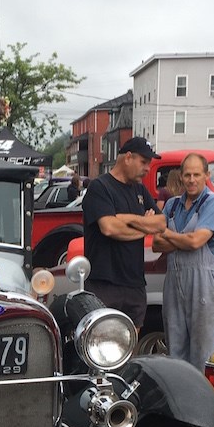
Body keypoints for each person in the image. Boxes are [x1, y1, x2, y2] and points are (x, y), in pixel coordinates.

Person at [153, 152, 214, 370]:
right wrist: (182, 240)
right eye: (187, 175)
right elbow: (156, 244)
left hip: (205, 285)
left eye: (197, 174)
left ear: (207, 175)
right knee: (175, 350)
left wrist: (167, 234)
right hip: (175, 284)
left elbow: (196, 241)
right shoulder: (172, 205)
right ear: (181, 176)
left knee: (204, 353)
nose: (192, 180)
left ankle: (202, 392)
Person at [81, 137, 166, 327]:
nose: (148, 168)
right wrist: (145, 225)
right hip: (104, 283)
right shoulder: (100, 187)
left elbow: (161, 223)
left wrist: (127, 219)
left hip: (135, 283)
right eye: (144, 162)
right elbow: (109, 228)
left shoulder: (140, 190)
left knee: (131, 339)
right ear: (128, 157)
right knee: (103, 338)